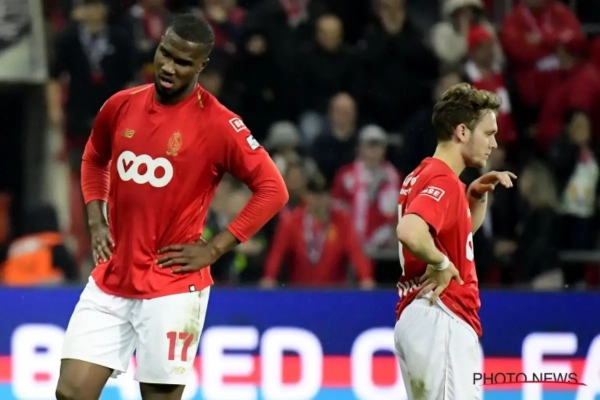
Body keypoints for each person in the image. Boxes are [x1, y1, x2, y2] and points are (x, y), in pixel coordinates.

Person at [55, 13, 288, 400]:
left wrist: (215, 248)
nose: (168, 67)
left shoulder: (218, 124)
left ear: (202, 66)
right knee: (70, 393)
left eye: (183, 62)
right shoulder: (121, 105)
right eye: (165, 53)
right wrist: (96, 220)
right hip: (114, 275)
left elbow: (273, 189)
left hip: (172, 283)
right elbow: (94, 158)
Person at [394, 83, 516, 399]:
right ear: (462, 131)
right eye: (488, 133)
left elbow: (451, 240)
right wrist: (441, 263)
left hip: (422, 317)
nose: (494, 143)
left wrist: (473, 198)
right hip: (442, 315)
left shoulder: (421, 176)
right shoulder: (444, 181)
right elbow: (410, 231)